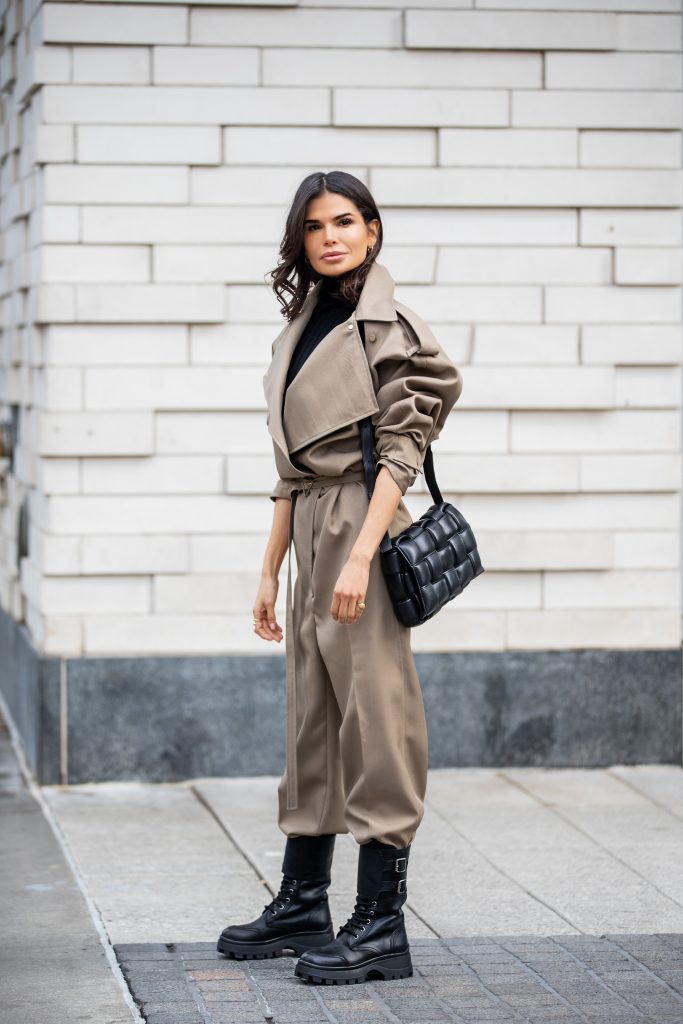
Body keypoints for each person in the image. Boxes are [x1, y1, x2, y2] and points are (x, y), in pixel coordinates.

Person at [217, 170, 463, 984]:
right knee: (312, 718)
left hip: (362, 522)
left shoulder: (383, 325)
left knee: (375, 720)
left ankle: (381, 924)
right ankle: (301, 899)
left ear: (373, 230)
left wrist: (359, 555)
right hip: (312, 526)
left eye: (346, 222)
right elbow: (288, 469)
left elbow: (403, 446)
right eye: (316, 225)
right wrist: (267, 571)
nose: (331, 236)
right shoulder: (302, 325)